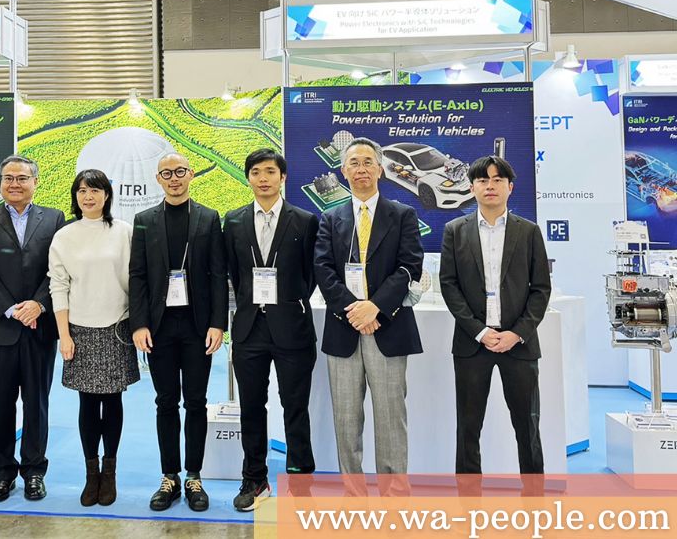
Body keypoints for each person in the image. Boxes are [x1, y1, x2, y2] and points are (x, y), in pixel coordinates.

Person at [314, 137, 424, 494]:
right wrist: (355, 311)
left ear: (380, 169)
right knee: (346, 419)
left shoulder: (403, 215)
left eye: (367, 162)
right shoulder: (331, 218)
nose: (361, 169)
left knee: (391, 418)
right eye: (354, 163)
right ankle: (354, 494)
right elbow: (323, 269)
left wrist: (375, 307)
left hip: (387, 327)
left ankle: (394, 494)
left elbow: (410, 266)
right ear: (343, 171)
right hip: (344, 329)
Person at [439, 155, 551, 478]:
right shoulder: (455, 231)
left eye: (498, 180)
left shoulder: (528, 232)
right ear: (472, 187)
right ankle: (469, 500)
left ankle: (534, 498)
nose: (490, 186)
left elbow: (540, 289)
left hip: (519, 345)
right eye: (483, 180)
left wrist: (517, 333)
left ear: (510, 187)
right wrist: (479, 331)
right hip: (472, 344)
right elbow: (449, 285)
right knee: (468, 428)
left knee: (527, 426)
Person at [130, 153, 227, 512]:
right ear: (158, 179)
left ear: (191, 174)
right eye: (167, 173)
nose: (174, 178)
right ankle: (169, 476)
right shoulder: (144, 220)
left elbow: (218, 274)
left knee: (197, 401)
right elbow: (137, 275)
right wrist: (139, 323)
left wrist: (218, 323)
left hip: (198, 328)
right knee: (166, 402)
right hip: (159, 328)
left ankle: (194, 477)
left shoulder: (208, 217)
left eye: (180, 171)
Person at [223, 148, 319, 512]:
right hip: (249, 329)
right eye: (256, 172)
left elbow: (310, 274)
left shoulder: (305, 220)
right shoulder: (234, 221)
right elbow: (233, 273)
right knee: (251, 407)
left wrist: (288, 303)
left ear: (283, 177)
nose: (263, 178)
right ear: (248, 177)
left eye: (270, 171)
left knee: (295, 407)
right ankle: (255, 479)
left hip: (292, 328)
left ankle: (300, 481)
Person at [0, 155, 65, 502]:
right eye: (8, 178)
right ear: (0, 183)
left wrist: (38, 304)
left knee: (37, 403)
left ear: (35, 182)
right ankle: (2, 474)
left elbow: (59, 268)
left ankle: (34, 472)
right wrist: (12, 309)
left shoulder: (54, 219)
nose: (14, 184)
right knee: (1, 404)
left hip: (40, 326)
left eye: (22, 178)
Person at [48, 169, 139, 507]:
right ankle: (91, 474)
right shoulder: (65, 236)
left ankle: (109, 472)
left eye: (95, 190)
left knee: (113, 402)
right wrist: (64, 335)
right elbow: (58, 286)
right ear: (75, 196)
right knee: (87, 404)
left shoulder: (123, 232)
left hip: (117, 327)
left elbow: (136, 281)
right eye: (82, 190)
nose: (88, 196)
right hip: (80, 330)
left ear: (107, 195)